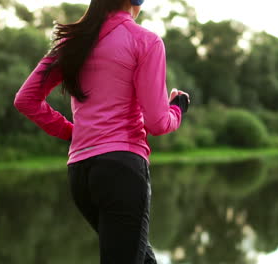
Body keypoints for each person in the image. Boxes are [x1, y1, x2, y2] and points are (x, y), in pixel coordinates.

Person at [14, 0, 190, 263]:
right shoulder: (145, 41)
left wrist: (72, 133)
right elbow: (158, 123)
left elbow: (25, 99)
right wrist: (177, 109)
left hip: (81, 173)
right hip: (123, 169)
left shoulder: (72, 43)